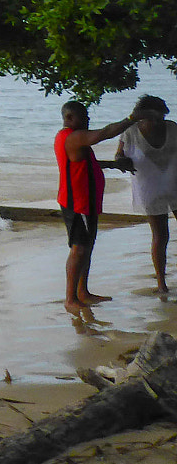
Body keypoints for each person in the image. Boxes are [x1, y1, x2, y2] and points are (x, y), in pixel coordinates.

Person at [57, 100, 152, 311]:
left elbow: (86, 164)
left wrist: (114, 165)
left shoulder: (75, 140)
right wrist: (132, 118)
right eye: (84, 116)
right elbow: (105, 133)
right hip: (78, 203)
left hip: (87, 202)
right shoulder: (73, 137)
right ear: (70, 118)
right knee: (79, 249)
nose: (88, 120)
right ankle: (70, 299)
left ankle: (83, 292)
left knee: (87, 247)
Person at [114, 95, 177, 295]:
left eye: (161, 117)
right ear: (141, 117)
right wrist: (121, 161)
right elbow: (119, 155)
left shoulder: (173, 128)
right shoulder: (130, 132)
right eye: (153, 118)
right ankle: (161, 284)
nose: (159, 122)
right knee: (160, 235)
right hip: (149, 187)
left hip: (175, 183)